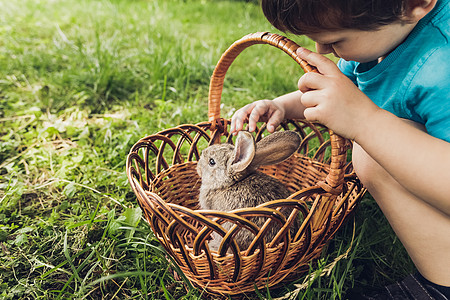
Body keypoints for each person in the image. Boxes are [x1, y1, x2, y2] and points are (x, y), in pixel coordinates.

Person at [230, 0, 450, 298]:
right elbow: (345, 90)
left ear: (416, 4)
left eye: (336, 41)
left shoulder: (442, 64)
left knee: (372, 150)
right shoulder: (386, 34)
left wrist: (367, 122)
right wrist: (281, 105)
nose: (321, 51)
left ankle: (441, 286)